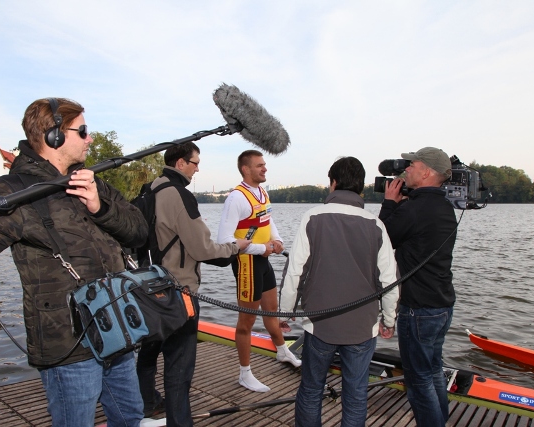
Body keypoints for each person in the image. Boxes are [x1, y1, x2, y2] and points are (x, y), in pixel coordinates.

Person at [0, 98, 149, 426]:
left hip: (116, 330)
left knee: (130, 417)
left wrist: (100, 207)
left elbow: (138, 231)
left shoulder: (91, 181)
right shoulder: (13, 191)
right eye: (83, 131)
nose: (90, 138)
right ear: (54, 136)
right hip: (69, 345)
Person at [135, 141, 251, 426]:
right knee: (179, 366)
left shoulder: (149, 189)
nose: (197, 169)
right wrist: (235, 247)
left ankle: (146, 404)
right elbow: (203, 249)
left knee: (148, 354)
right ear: (180, 163)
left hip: (146, 288)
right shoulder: (179, 194)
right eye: (195, 163)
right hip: (178, 292)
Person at [279, 156, 399, 427]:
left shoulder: (312, 218)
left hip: (319, 324)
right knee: (355, 394)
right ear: (361, 187)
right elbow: (390, 281)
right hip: (362, 327)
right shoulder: (376, 225)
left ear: (332, 183)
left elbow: (295, 272)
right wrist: (389, 320)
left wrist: (285, 313)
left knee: (311, 389)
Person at [379, 146, 457, 427]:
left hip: (419, 309)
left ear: (426, 172)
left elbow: (380, 239)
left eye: (412, 165)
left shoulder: (414, 208)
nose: (406, 169)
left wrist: (390, 203)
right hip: (442, 304)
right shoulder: (445, 206)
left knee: (418, 380)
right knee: (433, 371)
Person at [217, 149, 301, 393]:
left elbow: (268, 220)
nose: (265, 168)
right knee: (247, 322)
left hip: (262, 261)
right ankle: (244, 374)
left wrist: (278, 240)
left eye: (264, 164)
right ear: (246, 169)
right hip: (246, 263)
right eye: (259, 165)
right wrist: (261, 248)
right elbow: (224, 241)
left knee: (271, 311)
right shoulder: (236, 198)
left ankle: (282, 351)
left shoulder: (262, 192)